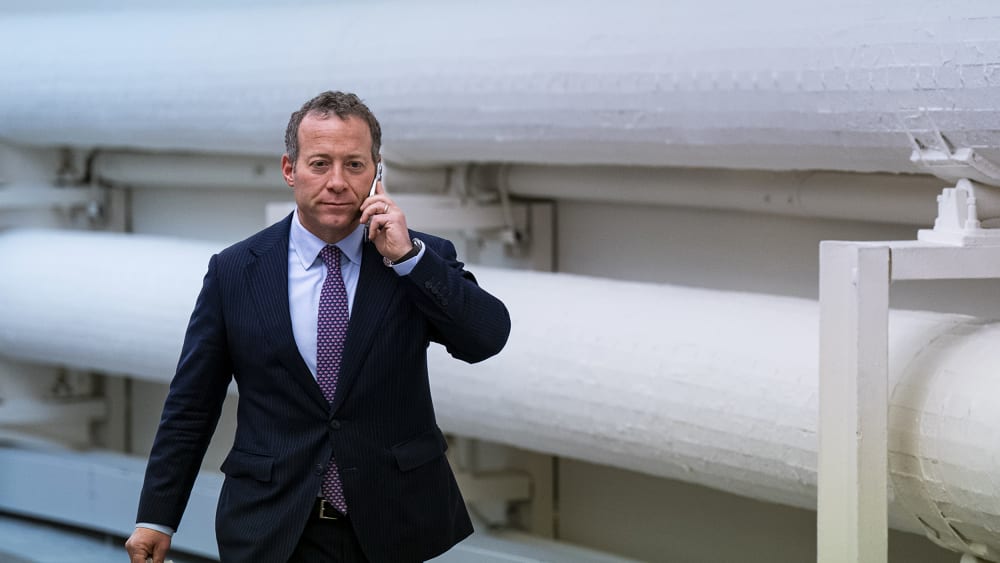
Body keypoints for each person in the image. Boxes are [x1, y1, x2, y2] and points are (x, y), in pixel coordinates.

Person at [125, 91, 511, 563]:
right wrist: (157, 517)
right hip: (273, 527)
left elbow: (486, 339)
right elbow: (191, 405)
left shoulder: (415, 258)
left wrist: (409, 261)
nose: (337, 182)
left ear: (377, 172)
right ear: (290, 169)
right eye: (320, 163)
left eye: (354, 165)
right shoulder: (235, 271)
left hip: (393, 526)